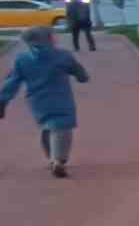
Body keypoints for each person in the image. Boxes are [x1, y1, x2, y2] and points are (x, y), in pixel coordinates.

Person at [1, 25, 91, 178]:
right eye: (53, 36)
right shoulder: (62, 55)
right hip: (61, 98)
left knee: (47, 126)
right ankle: (58, 160)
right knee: (62, 128)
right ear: (48, 39)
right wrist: (82, 76)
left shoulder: (22, 59)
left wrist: (3, 100)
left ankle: (51, 157)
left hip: (37, 100)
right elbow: (78, 71)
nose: (55, 38)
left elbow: (12, 82)